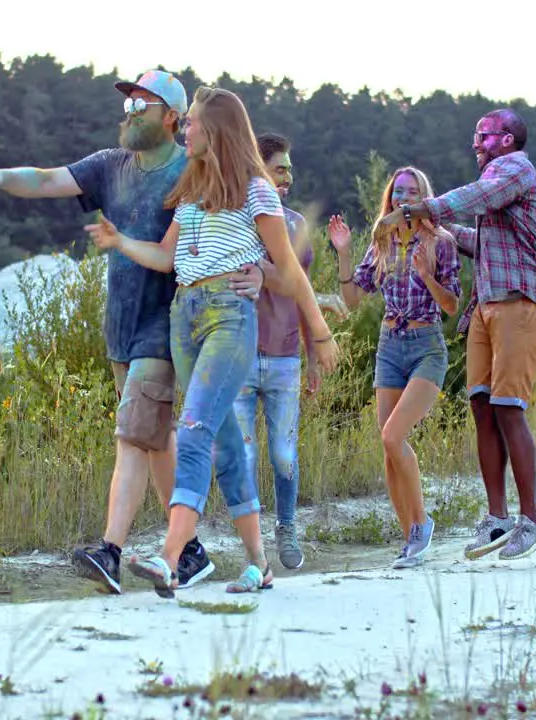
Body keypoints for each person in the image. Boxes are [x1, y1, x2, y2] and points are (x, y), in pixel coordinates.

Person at [0, 69, 267, 593]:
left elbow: (243, 223)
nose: (130, 112)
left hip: (168, 324)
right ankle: (191, 551)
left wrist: (258, 270)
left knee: (133, 433)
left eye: (142, 104)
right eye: (128, 104)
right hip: (120, 327)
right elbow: (49, 177)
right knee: (152, 440)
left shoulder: (190, 169)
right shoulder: (110, 165)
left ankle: (112, 549)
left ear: (173, 117)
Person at [86, 86, 340, 597]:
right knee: (225, 445)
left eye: (195, 123)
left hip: (228, 318)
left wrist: (320, 331)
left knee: (194, 428)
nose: (187, 130)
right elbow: (165, 257)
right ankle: (259, 564)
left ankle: (170, 557)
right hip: (185, 316)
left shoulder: (257, 191)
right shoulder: (193, 188)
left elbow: (288, 270)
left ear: (217, 130)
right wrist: (119, 242)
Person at [387, 108, 536, 561]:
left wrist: (425, 207)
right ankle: (497, 519)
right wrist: (438, 229)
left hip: (521, 301)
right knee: (483, 405)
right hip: (486, 306)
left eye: (483, 136)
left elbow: (475, 196)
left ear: (506, 139)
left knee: (507, 407)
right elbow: (483, 241)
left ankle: (533, 520)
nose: (476, 143)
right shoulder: (498, 188)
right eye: (476, 136)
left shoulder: (515, 168)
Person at [328, 166, 461, 568]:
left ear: (423, 198)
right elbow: (352, 301)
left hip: (427, 347)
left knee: (392, 436)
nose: (403, 198)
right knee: (389, 450)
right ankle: (411, 542)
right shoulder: (382, 242)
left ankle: (422, 524)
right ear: (391, 199)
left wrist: (426, 276)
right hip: (389, 346)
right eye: (398, 192)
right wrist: (346, 251)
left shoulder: (442, 242)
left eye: (411, 191)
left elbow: (452, 306)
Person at [228, 132, 318, 571]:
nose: (289, 177)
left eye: (290, 169)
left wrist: (316, 354)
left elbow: (304, 294)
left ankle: (286, 525)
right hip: (239, 355)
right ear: (258, 168)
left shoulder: (298, 225)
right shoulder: (233, 218)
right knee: (243, 455)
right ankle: (255, 546)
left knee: (283, 455)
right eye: (280, 168)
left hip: (284, 357)